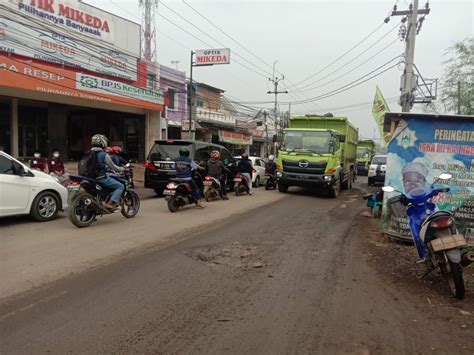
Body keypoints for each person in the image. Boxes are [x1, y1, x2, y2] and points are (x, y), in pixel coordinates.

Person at [90, 134, 126, 210]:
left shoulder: (88, 152)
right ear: (103, 142)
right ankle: (109, 203)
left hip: (90, 177)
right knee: (120, 186)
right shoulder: (103, 154)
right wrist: (122, 169)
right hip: (100, 178)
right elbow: (113, 167)